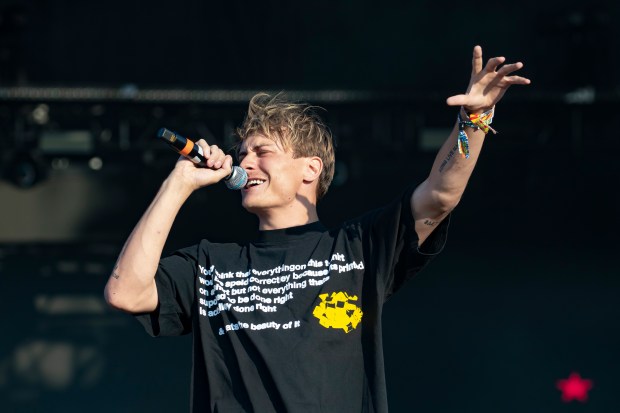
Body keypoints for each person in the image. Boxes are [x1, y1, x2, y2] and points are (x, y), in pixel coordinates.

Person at [104, 45, 530, 412]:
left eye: (262, 152)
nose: (244, 162)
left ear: (311, 168)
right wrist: (179, 183)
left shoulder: (356, 247)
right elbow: (126, 293)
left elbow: (440, 196)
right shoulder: (210, 264)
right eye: (241, 153)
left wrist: (473, 120)